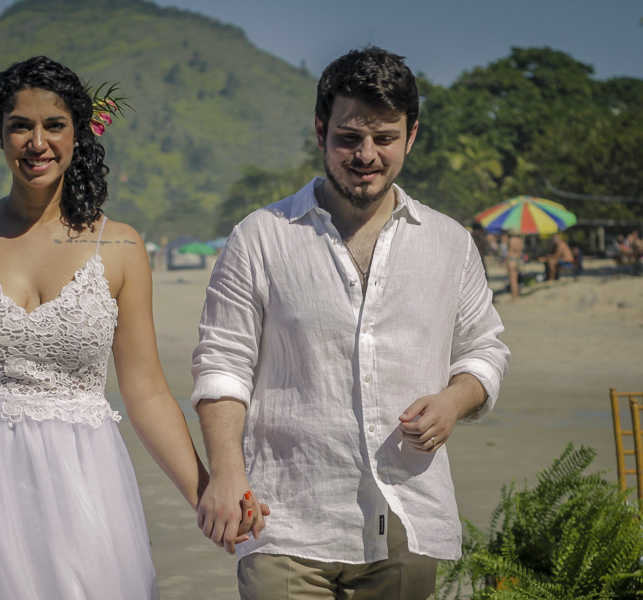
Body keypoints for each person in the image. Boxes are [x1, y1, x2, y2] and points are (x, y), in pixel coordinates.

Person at [0, 56, 262, 600]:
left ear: (78, 134)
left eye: (54, 125)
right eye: (20, 126)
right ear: (0, 135)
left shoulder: (120, 247)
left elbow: (146, 392)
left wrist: (207, 493)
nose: (37, 142)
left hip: (81, 480)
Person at [192, 46, 510, 600]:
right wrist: (226, 473)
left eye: (385, 138)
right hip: (284, 518)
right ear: (321, 131)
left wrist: (454, 401)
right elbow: (223, 364)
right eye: (349, 137)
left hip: (407, 519)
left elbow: (484, 350)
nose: (366, 155)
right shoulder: (260, 237)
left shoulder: (449, 243)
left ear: (411, 136)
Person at [504, 233, 525, 301]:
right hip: (518, 260)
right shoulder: (520, 240)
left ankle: (514, 297)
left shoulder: (512, 240)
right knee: (515, 280)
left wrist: (505, 261)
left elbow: (510, 251)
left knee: (512, 280)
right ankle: (516, 295)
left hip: (512, 260)